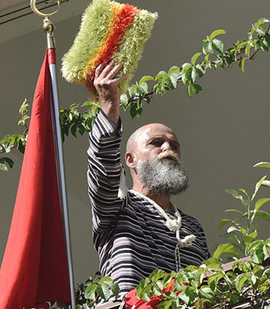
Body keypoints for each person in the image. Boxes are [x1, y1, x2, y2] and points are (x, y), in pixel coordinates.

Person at [87, 61, 209, 293]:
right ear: (130, 160)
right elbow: (102, 170)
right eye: (156, 143)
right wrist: (110, 105)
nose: (168, 148)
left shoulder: (193, 227)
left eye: (174, 145)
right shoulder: (118, 207)